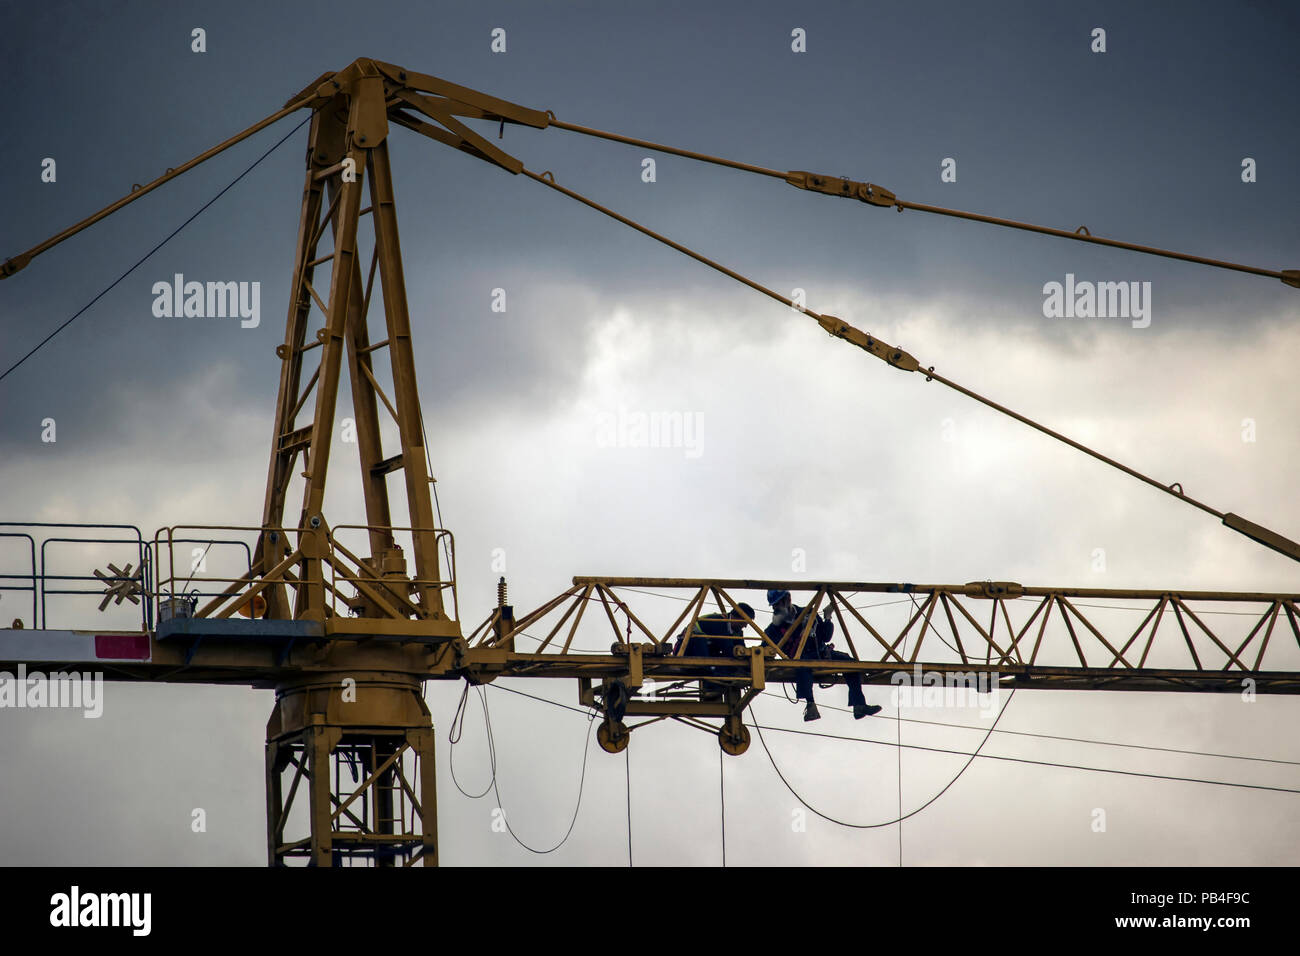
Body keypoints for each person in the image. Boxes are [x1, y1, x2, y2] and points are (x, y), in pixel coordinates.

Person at [765, 589, 881, 722]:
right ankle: (810, 705)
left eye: (777, 604)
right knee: (802, 666)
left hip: (821, 653)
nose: (775, 608)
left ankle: (859, 705)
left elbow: (825, 636)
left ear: (788, 599)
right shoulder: (774, 629)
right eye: (774, 605)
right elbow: (765, 646)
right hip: (802, 659)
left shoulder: (808, 612)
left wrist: (827, 618)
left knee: (851, 663)